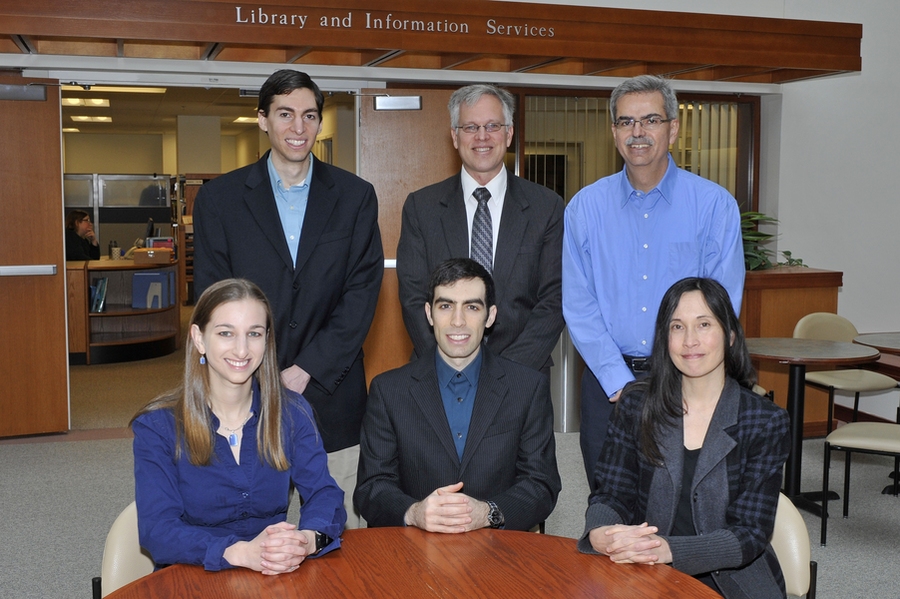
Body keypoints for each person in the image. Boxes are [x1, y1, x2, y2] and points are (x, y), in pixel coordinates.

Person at [192, 69, 383, 528]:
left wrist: (307, 367)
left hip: (331, 389)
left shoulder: (356, 197)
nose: (298, 127)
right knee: (247, 528)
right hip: (244, 388)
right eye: (285, 114)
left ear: (319, 122)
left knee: (340, 529)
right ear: (262, 120)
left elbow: (362, 291)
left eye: (309, 115)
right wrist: (257, 366)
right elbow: (213, 297)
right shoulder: (220, 199)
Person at [562, 75, 745, 488]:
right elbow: (578, 303)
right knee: (608, 501)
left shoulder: (714, 206)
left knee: (680, 503)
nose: (638, 132)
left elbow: (721, 306)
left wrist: (680, 374)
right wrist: (618, 381)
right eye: (626, 122)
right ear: (613, 131)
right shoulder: (585, 208)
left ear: (673, 127)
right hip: (606, 383)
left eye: (650, 120)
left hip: (688, 380)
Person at [579, 277, 789, 598]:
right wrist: (600, 531)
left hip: (730, 579)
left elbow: (750, 533)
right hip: (643, 569)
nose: (690, 340)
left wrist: (669, 550)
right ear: (665, 339)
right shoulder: (637, 403)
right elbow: (611, 493)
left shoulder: (764, 420)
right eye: (677, 327)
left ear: (730, 335)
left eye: (704, 324)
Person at [132, 278, 345, 573]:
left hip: (273, 575)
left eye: (254, 334)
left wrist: (306, 541)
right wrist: (240, 553)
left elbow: (325, 493)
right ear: (199, 338)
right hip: (192, 576)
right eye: (226, 333)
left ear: (267, 339)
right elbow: (158, 530)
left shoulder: (292, 412)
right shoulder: (157, 427)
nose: (242, 350)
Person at [354, 258, 561, 532]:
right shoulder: (388, 390)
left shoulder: (528, 388)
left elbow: (541, 485)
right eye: (445, 306)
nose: (458, 321)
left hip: (502, 555)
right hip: (413, 556)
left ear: (491, 316)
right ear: (429, 313)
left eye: (472, 307)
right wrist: (414, 513)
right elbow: (371, 488)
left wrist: (489, 513)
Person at [397, 84, 565, 375]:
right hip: (439, 376)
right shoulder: (421, 207)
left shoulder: (547, 207)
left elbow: (555, 299)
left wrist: (506, 373)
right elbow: (414, 297)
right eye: (471, 127)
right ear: (454, 136)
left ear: (509, 134)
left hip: (522, 378)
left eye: (492, 126)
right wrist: (451, 366)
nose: (482, 136)